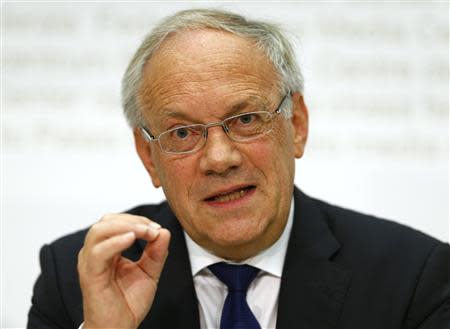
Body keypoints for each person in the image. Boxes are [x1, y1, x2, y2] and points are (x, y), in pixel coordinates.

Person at [28, 8, 450, 329]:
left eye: (246, 120)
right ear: (147, 155)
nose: (219, 158)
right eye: (182, 133)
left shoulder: (412, 279)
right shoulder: (76, 280)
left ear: (297, 125)